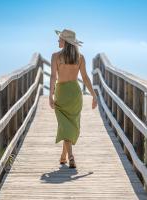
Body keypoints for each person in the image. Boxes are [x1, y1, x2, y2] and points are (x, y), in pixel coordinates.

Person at [49, 29, 97, 168]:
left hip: (62, 92)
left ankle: (70, 156)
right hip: (75, 93)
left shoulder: (55, 56)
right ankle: (63, 156)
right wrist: (94, 95)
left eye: (60, 39)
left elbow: (53, 77)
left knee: (65, 125)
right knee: (69, 125)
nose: (58, 41)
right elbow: (85, 78)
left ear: (65, 42)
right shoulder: (80, 58)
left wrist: (51, 96)